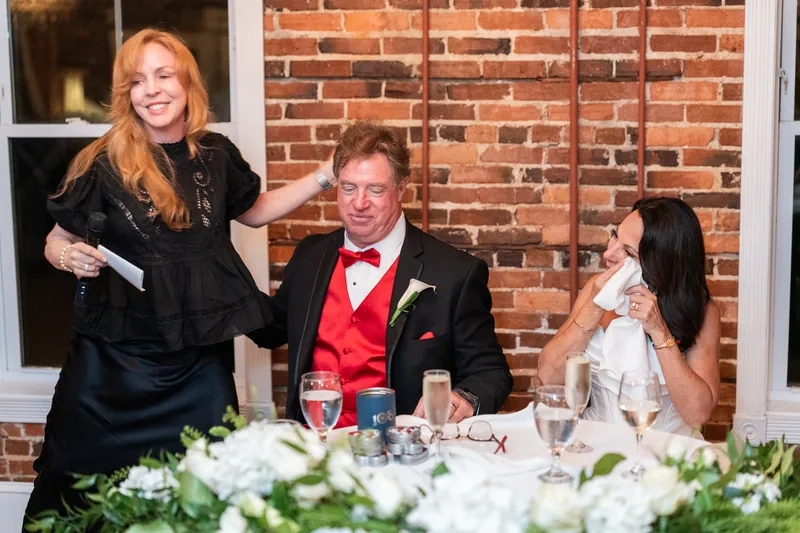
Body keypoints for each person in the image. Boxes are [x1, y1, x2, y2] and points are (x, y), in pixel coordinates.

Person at [25, 29, 335, 524]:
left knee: (205, 491)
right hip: (111, 369)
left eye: (163, 75)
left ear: (187, 83)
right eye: (137, 81)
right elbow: (55, 239)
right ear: (126, 94)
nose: (151, 90)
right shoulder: (101, 162)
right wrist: (69, 257)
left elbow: (255, 212)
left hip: (198, 365)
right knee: (82, 496)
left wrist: (326, 174)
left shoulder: (216, 155)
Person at [249, 121, 512, 427]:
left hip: (402, 447)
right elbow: (272, 329)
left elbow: (491, 372)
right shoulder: (311, 255)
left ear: (401, 188)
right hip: (315, 445)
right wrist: (216, 271)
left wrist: (463, 397)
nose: (359, 203)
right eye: (348, 188)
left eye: (375, 190)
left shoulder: (455, 272)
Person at [537, 197, 720, 435]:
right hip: (595, 444)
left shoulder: (702, 310)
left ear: (660, 264)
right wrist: (594, 306)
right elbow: (547, 377)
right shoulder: (597, 288)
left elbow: (698, 414)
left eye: (628, 252)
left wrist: (659, 331)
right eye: (615, 236)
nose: (608, 254)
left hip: (666, 450)